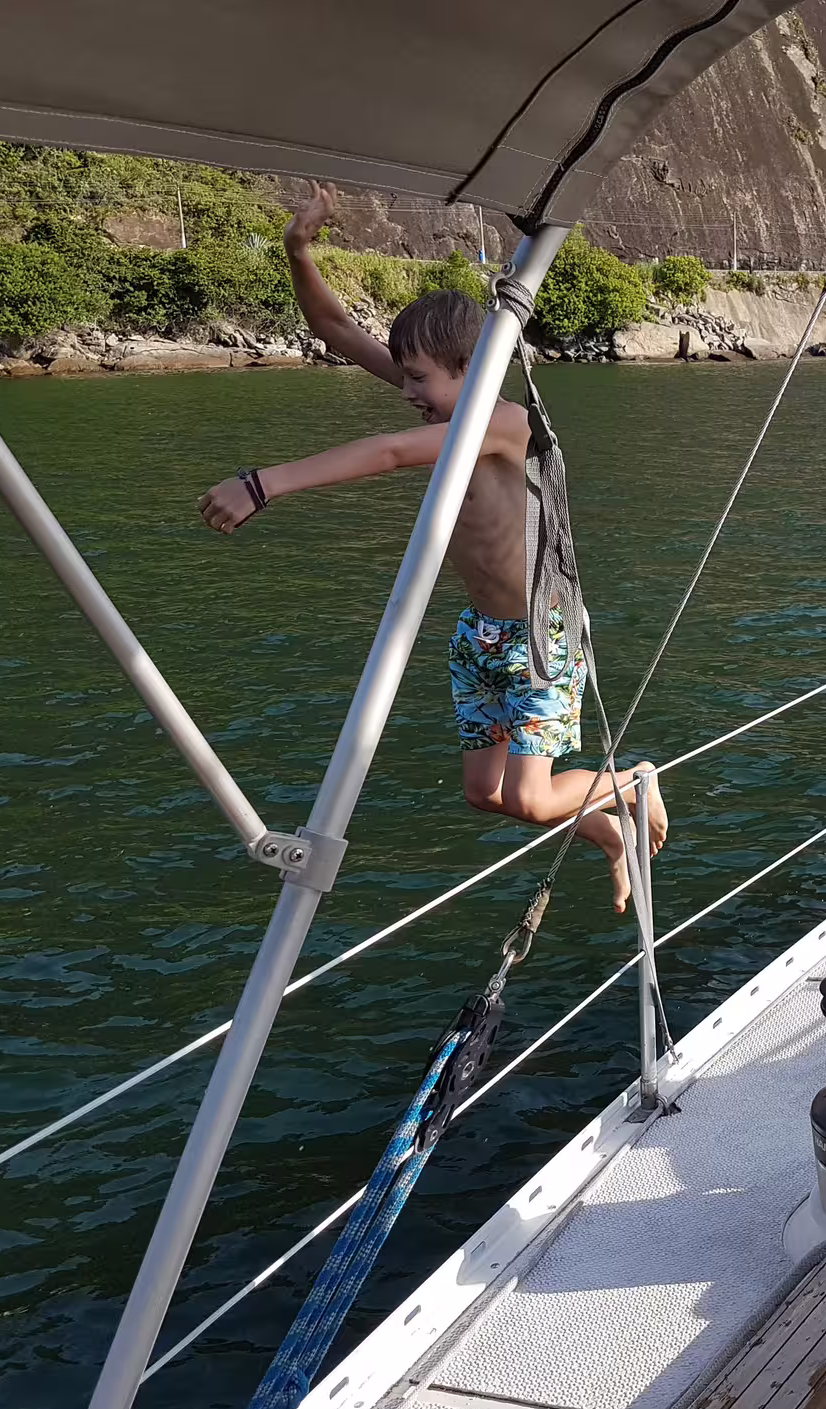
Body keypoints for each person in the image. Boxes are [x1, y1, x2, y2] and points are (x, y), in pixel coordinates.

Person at [198, 184, 665, 912]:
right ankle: (607, 832)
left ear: (470, 367)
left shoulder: (504, 421)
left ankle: (631, 780)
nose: (406, 389)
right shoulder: (451, 394)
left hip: (542, 635)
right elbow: (335, 331)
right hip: (481, 633)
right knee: (486, 796)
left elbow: (390, 453)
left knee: (535, 801)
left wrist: (265, 484)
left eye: (418, 377)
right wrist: (298, 251)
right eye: (405, 374)